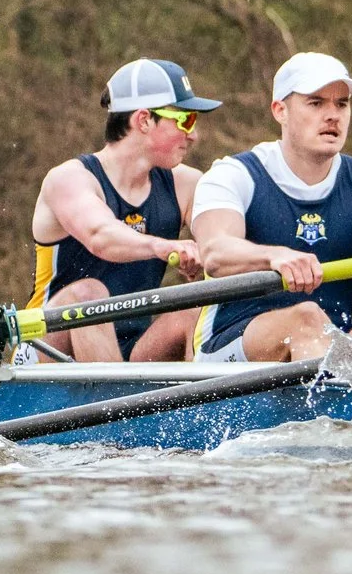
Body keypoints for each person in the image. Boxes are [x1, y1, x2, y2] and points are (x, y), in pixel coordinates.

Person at [190, 52, 352, 361]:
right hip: (232, 349)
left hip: (330, 344)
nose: (333, 115)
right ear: (280, 111)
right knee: (306, 319)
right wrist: (274, 255)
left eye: (341, 104)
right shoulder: (233, 175)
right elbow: (214, 252)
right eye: (316, 103)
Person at [26, 59, 221, 361]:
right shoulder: (69, 179)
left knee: (192, 313)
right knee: (88, 294)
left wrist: (212, 256)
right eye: (185, 120)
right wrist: (161, 246)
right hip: (46, 349)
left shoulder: (186, 184)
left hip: (130, 351)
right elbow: (100, 236)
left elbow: (226, 242)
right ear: (143, 120)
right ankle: (116, 408)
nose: (194, 135)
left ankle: (213, 408)